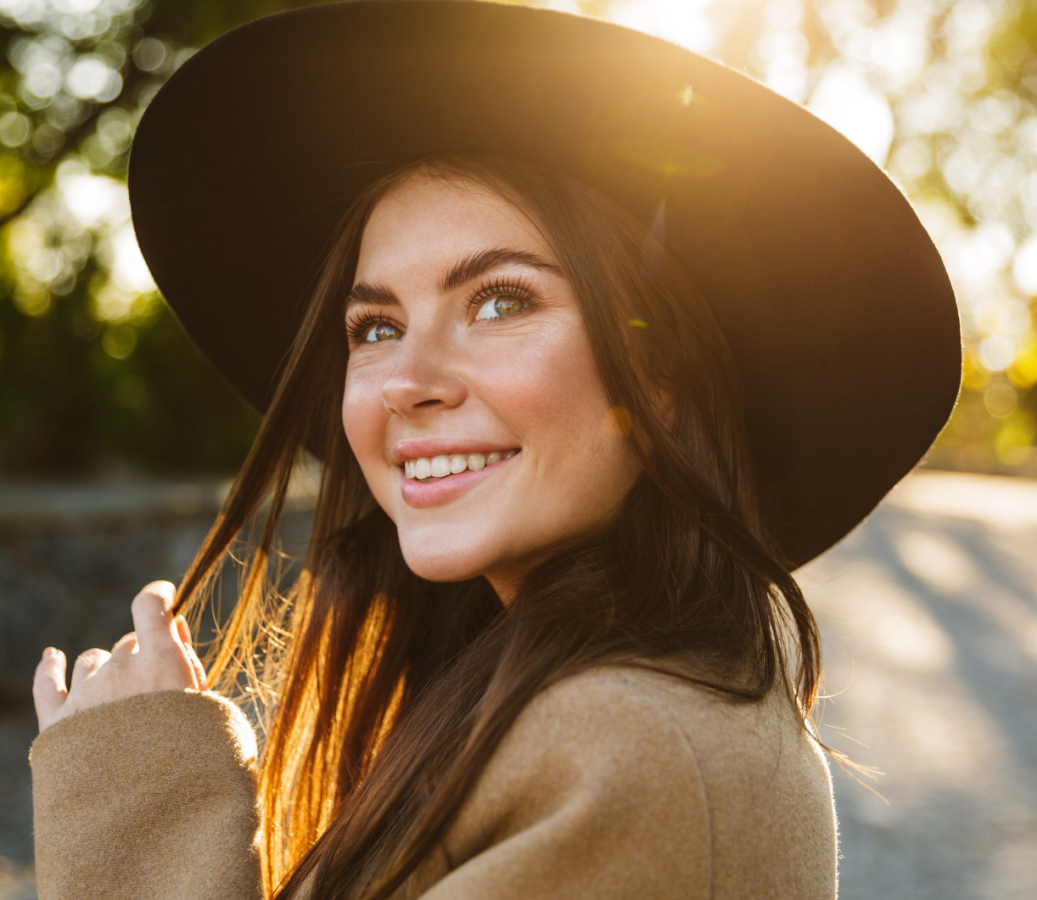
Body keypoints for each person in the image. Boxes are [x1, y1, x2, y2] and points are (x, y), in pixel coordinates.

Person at [26, 3, 961, 899]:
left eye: (501, 301)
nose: (409, 379)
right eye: (376, 326)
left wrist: (142, 797)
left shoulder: (628, 750)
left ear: (665, 376)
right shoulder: (557, 701)